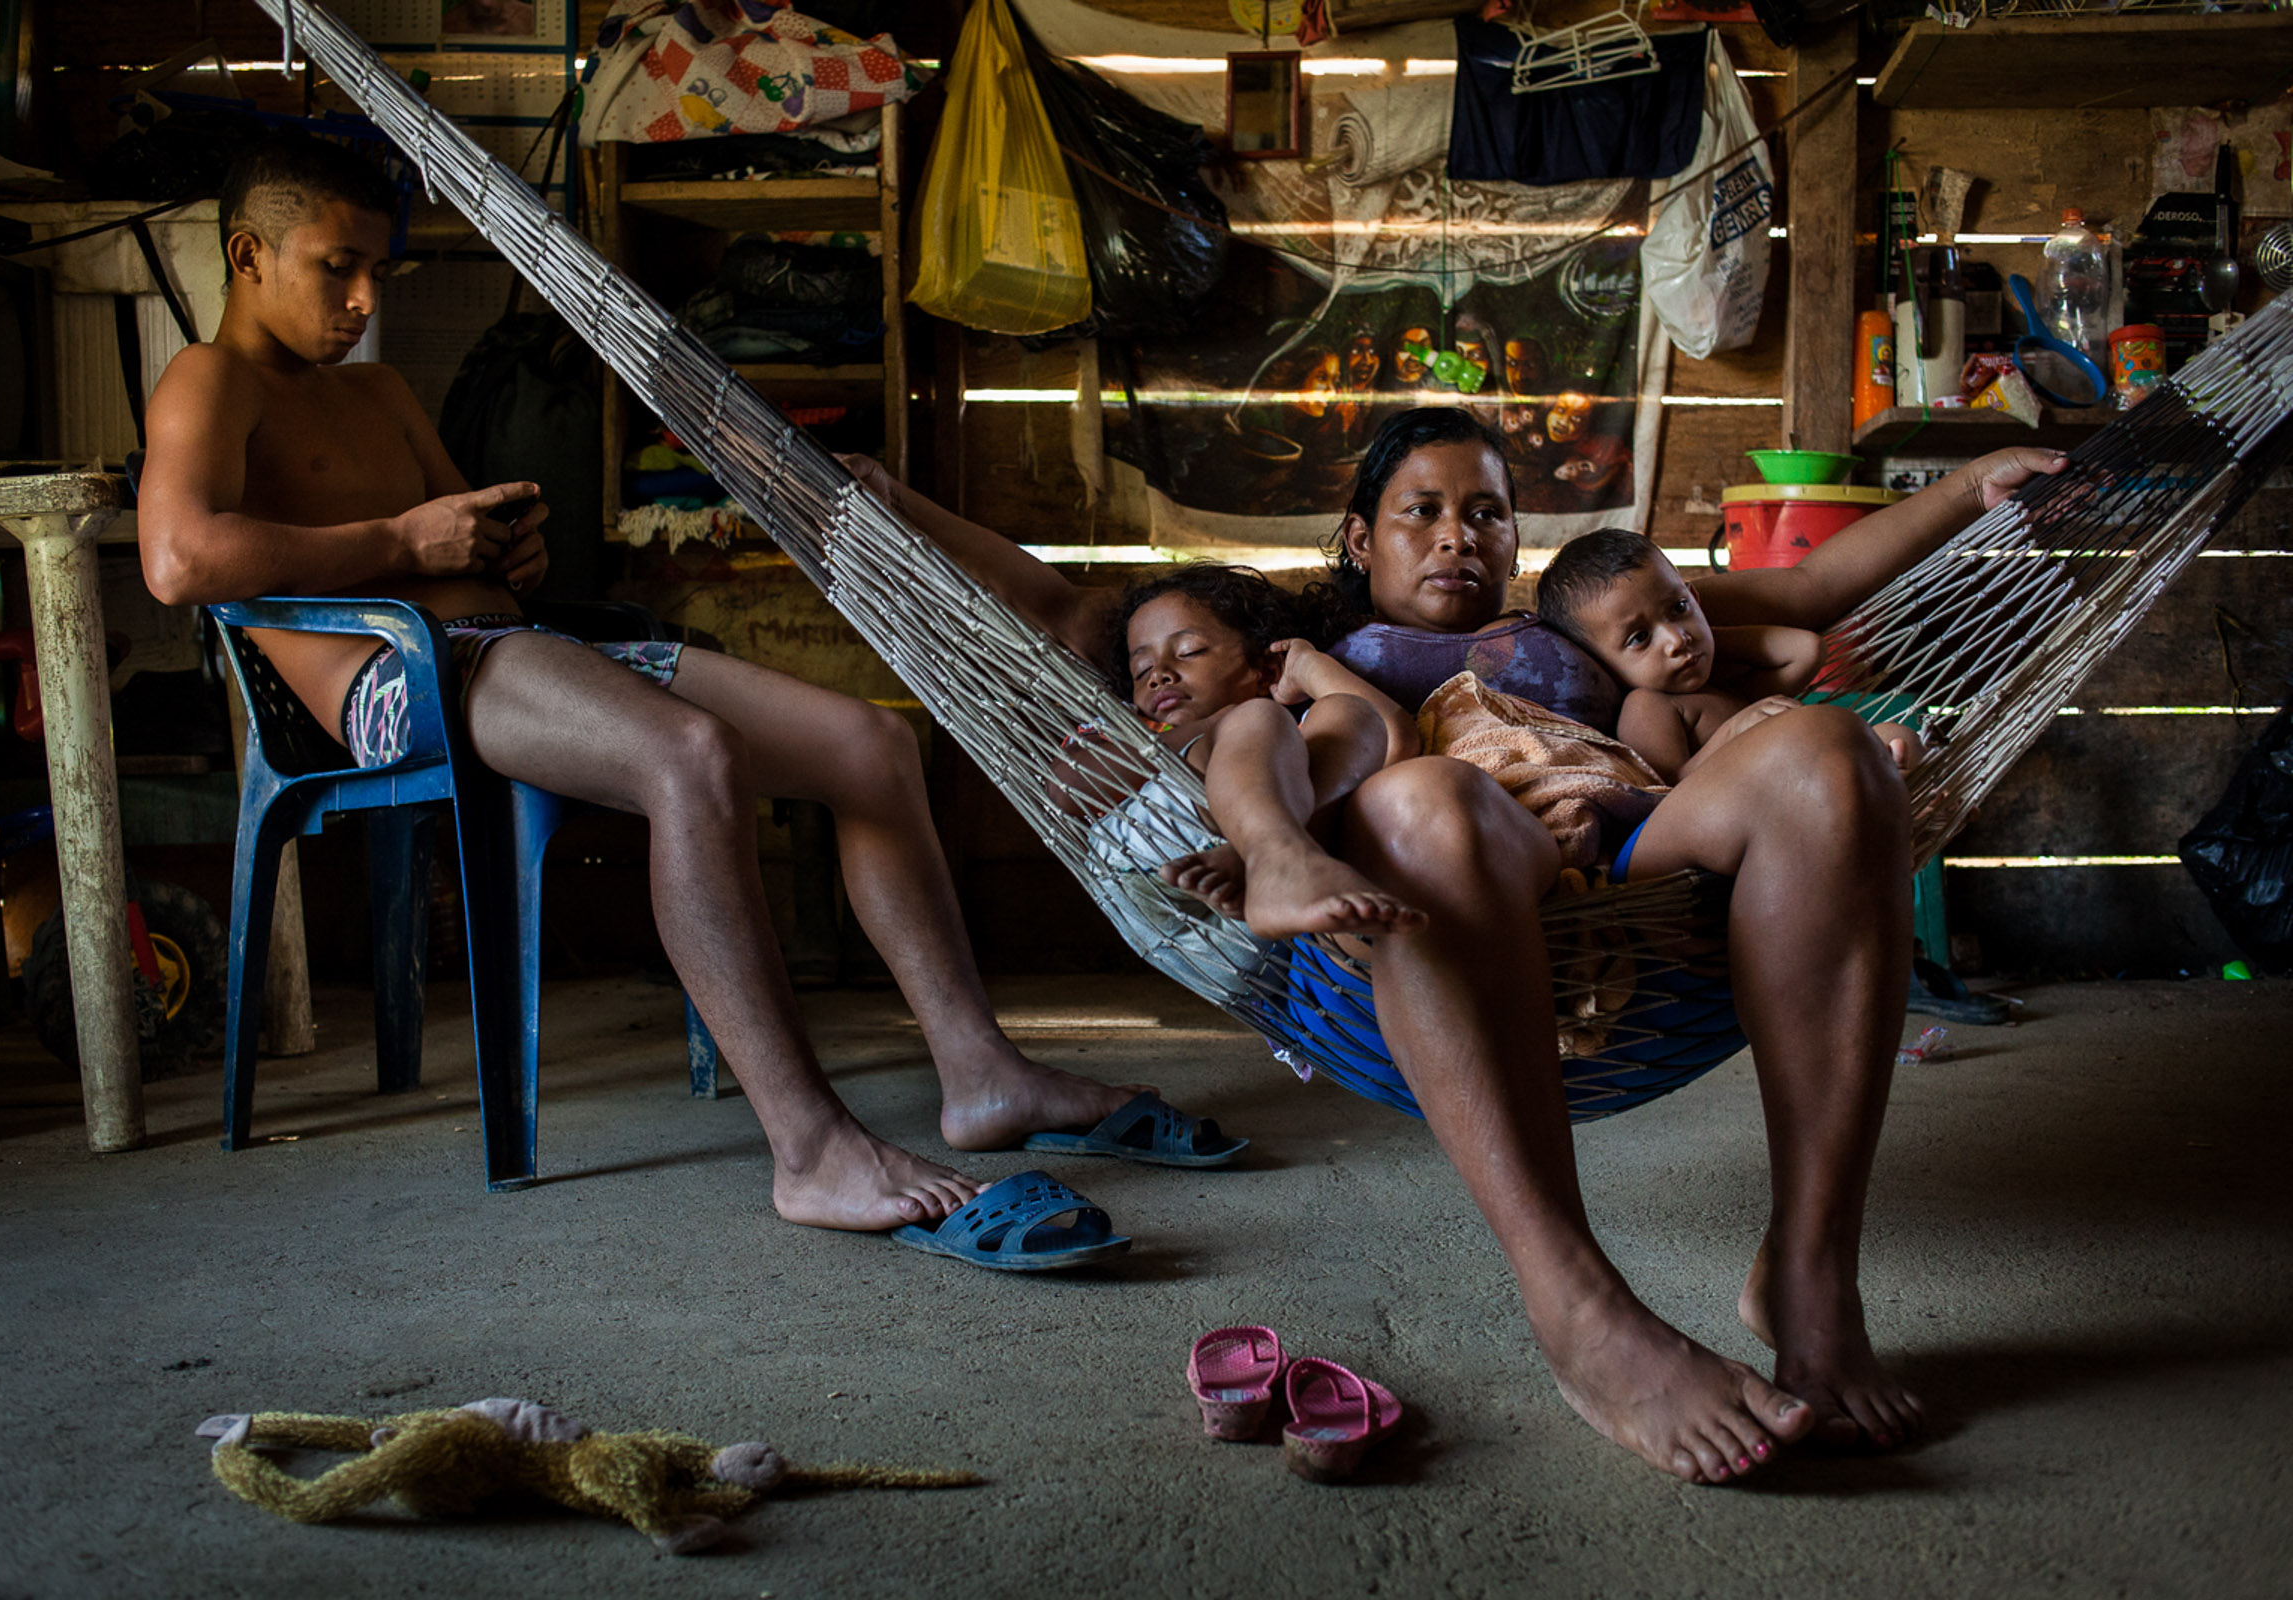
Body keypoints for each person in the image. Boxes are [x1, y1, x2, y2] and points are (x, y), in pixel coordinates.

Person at [851, 410, 2067, 1482]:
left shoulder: (1577, 625)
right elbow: (1067, 608)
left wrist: (1969, 489)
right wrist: (885, 503)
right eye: (1418, 512)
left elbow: (1805, 597)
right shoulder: (1314, 650)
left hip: (1627, 856)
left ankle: (1809, 1271)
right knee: (1418, 799)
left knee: (1833, 758)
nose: (1454, 536)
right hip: (1453, 866)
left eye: (1484, 512)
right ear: (1357, 538)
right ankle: (1577, 1309)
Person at [136, 130, 1186, 1247]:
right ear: (248, 255)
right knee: (688, 755)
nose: (358, 298)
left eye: (375, 274)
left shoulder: (383, 391)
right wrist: (406, 539)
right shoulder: (213, 380)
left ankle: (982, 1076)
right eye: (332, 266)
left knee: (867, 749)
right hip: (402, 682)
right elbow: (179, 561)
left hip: (518, 649)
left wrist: (505, 550)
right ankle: (812, 1150)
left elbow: (460, 538)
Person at [1098, 563, 1422, 939]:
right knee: (1257, 720)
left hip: (1281, 930)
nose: (1159, 675)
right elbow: (1064, 785)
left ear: (1265, 671)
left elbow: (1392, 738)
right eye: (1141, 671)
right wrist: (1211, 725)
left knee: (1352, 712)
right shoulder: (1138, 727)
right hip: (1154, 866)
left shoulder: (1295, 736)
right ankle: (1275, 855)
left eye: (1189, 651)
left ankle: (1262, 854)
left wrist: (1307, 667)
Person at [1534, 527, 1923, 783]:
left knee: (1897, 738)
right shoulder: (1647, 706)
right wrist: (1731, 735)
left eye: (1678, 608)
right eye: (1639, 638)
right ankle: (1897, 806)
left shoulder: (1725, 687)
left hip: (1811, 770)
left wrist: (1702, 634)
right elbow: (1670, 792)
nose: (1675, 638)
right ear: (1602, 665)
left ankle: (1903, 805)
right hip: (1782, 795)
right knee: (1873, 753)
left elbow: (1807, 650)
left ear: (1696, 598)